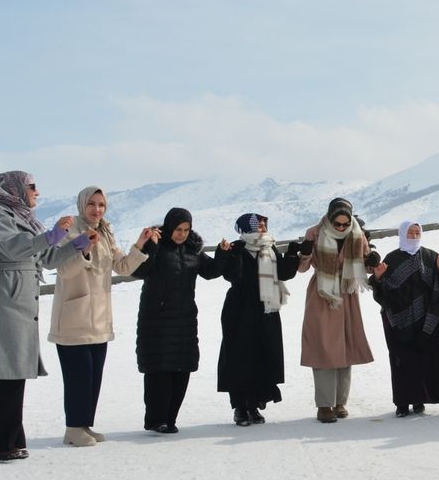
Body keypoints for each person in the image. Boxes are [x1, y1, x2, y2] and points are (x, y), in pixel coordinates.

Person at [0, 172, 80, 462]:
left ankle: (8, 440)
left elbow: (45, 258)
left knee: (15, 372)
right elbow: (15, 248)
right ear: (12, 190)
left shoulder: (23, 218)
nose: (37, 192)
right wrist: (52, 235)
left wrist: (75, 245)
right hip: (3, 298)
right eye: (31, 187)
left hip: (20, 299)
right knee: (9, 371)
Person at [47, 186, 155, 446]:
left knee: (93, 375)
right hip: (74, 316)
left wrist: (139, 244)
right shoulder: (70, 229)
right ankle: (73, 428)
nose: (97, 209)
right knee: (78, 376)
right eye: (92, 204)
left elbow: (122, 267)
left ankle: (83, 425)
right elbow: (64, 270)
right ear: (81, 205)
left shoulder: (105, 231)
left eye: (101, 205)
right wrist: (82, 249)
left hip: (99, 317)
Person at [131, 207, 223, 434]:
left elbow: (211, 271)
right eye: (177, 229)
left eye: (186, 229)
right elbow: (138, 271)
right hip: (157, 319)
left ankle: (170, 419)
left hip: (184, 320)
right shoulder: (157, 246)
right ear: (169, 227)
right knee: (159, 370)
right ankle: (156, 419)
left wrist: (224, 253)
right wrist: (148, 246)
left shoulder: (193, 251)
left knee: (182, 369)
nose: (181, 234)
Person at [293, 198, 375, 423]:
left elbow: (366, 266)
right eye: (336, 224)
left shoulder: (357, 233)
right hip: (322, 293)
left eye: (344, 224)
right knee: (323, 348)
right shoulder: (314, 233)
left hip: (347, 293)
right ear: (329, 218)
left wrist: (373, 261)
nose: (340, 228)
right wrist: (305, 252)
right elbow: (301, 269)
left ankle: (340, 402)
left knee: (345, 346)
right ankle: (324, 405)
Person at [216, 213, 299, 426]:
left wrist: (292, 255)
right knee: (239, 357)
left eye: (263, 223)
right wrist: (227, 256)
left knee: (262, 356)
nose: (262, 227)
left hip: (266, 311)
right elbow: (231, 276)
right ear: (246, 228)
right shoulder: (236, 248)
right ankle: (240, 408)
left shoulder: (269, 247)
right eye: (257, 224)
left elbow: (284, 273)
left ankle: (254, 405)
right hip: (239, 311)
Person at [371, 221, 439, 418]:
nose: (415, 235)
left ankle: (419, 400)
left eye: (417, 232)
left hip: (427, 319)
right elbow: (382, 293)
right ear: (402, 233)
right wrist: (379, 278)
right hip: (399, 321)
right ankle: (402, 403)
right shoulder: (392, 258)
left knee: (424, 359)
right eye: (410, 232)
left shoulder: (430, 256)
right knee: (403, 361)